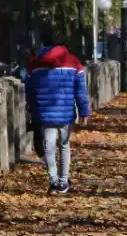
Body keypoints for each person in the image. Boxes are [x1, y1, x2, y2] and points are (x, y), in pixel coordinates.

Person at [25, 24, 90, 194]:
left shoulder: (35, 64)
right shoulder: (74, 63)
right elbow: (80, 91)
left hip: (45, 113)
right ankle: (63, 182)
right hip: (66, 114)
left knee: (48, 147)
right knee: (64, 145)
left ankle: (53, 181)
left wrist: (33, 108)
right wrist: (84, 111)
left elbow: (29, 89)